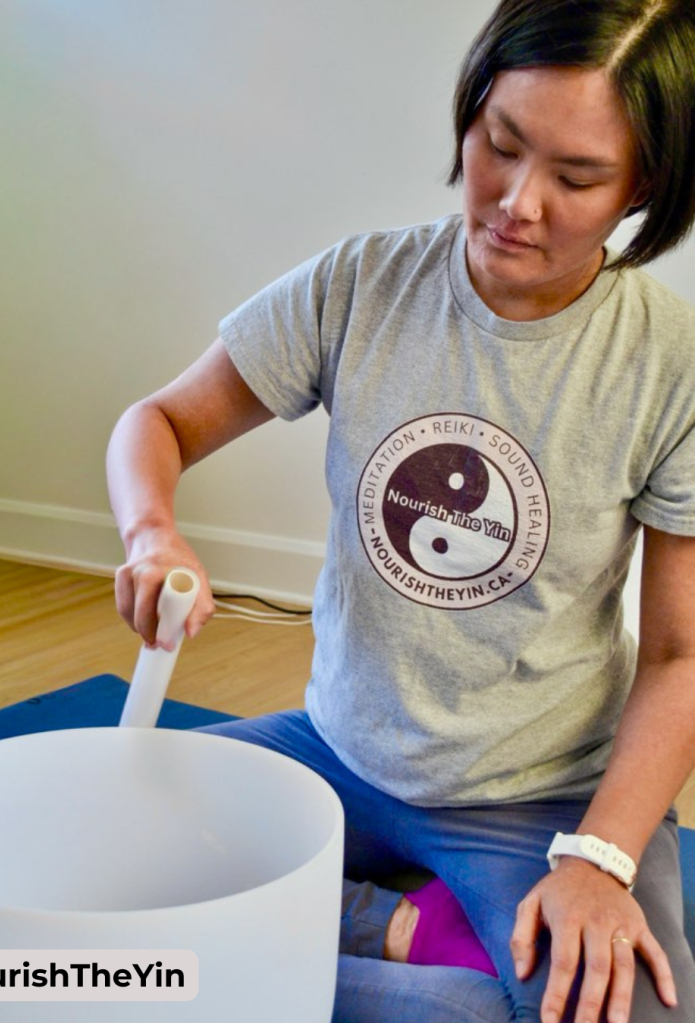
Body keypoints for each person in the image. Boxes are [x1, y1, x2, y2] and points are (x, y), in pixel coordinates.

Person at [106, 0, 695, 1019]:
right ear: (469, 116)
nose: (518, 202)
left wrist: (600, 859)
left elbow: (681, 657)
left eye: (577, 176)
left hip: (541, 796)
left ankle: (254, 961)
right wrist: (153, 533)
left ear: (644, 184)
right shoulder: (360, 283)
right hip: (339, 750)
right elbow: (157, 421)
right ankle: (398, 940)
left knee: (635, 1009)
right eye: (499, 146)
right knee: (92, 837)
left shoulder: (671, 365)